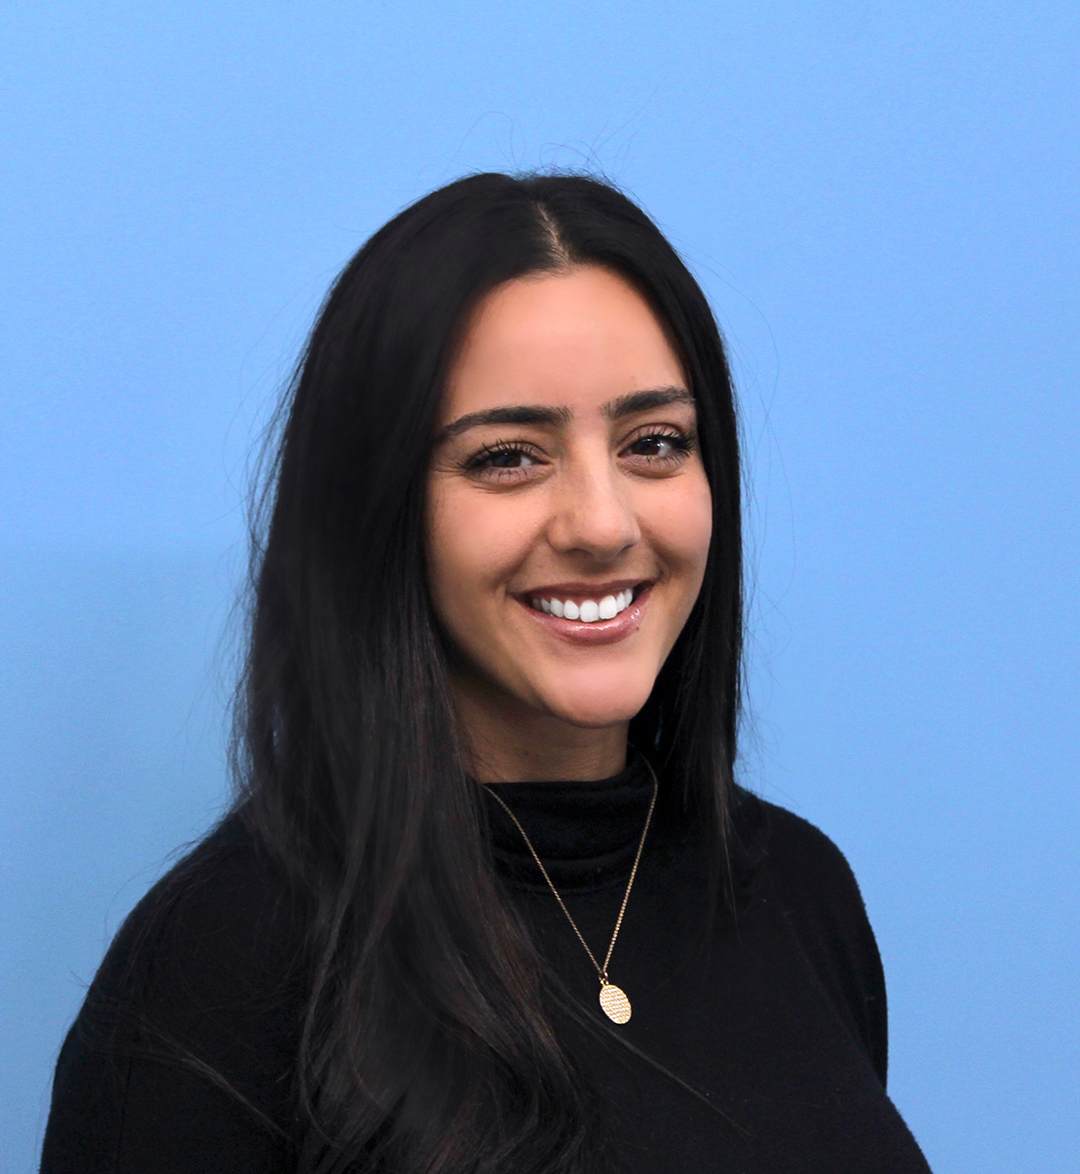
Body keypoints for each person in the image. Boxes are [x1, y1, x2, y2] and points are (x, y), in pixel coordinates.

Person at [40, 172, 931, 1173]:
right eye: (508, 457)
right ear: (378, 509)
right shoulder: (217, 968)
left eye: (654, 443)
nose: (602, 523)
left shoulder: (799, 891)